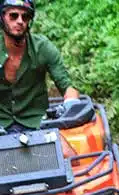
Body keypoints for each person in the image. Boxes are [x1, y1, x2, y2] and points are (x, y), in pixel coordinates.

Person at [0, 0, 80, 133]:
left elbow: (67, 86)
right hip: (1, 123)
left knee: (67, 151)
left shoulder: (42, 48)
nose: (20, 21)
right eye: (13, 16)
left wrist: (71, 102)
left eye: (25, 17)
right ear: (2, 18)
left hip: (36, 122)